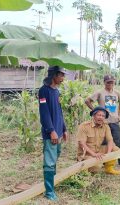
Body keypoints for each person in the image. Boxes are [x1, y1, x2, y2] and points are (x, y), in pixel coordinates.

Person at [38, 65, 68, 201]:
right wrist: (51, 131)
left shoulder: (56, 92)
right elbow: (44, 114)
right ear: (54, 75)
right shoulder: (44, 91)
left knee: (56, 155)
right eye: (61, 75)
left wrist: (64, 129)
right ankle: (49, 192)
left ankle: (51, 183)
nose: (63, 77)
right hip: (51, 133)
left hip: (58, 131)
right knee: (50, 161)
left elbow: (59, 112)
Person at [85, 74, 120, 165]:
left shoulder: (117, 93)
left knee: (118, 141)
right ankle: (104, 161)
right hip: (103, 122)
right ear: (104, 83)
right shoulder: (100, 92)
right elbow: (87, 101)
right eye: (108, 82)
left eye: (112, 82)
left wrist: (119, 115)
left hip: (114, 121)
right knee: (103, 142)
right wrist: (95, 111)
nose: (110, 84)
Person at [76, 106, 120, 175]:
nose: (101, 117)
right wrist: (94, 154)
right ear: (93, 116)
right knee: (96, 168)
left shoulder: (105, 126)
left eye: (103, 116)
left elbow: (110, 140)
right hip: (86, 154)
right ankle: (82, 166)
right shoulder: (84, 126)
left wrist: (109, 153)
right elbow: (82, 143)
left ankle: (109, 169)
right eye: (99, 115)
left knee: (115, 149)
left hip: (98, 150)